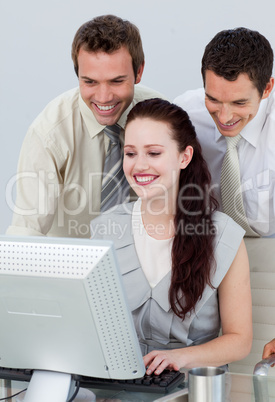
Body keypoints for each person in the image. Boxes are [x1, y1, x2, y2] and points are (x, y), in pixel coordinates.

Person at [90, 98, 252, 373]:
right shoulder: (106, 228)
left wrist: (181, 358)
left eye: (153, 153)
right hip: (121, 384)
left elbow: (239, 341)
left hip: (195, 385)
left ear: (184, 157)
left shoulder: (223, 235)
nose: (139, 166)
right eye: (130, 153)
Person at [6, 14, 165, 238]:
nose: (103, 97)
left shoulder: (161, 117)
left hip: (144, 263)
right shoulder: (50, 133)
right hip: (68, 265)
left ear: (139, 72)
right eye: (89, 81)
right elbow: (27, 230)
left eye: (117, 81)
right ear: (78, 75)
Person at [174, 27, 275, 237]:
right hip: (205, 245)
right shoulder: (184, 114)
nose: (224, 117)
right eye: (213, 100)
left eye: (239, 102)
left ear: (267, 89)